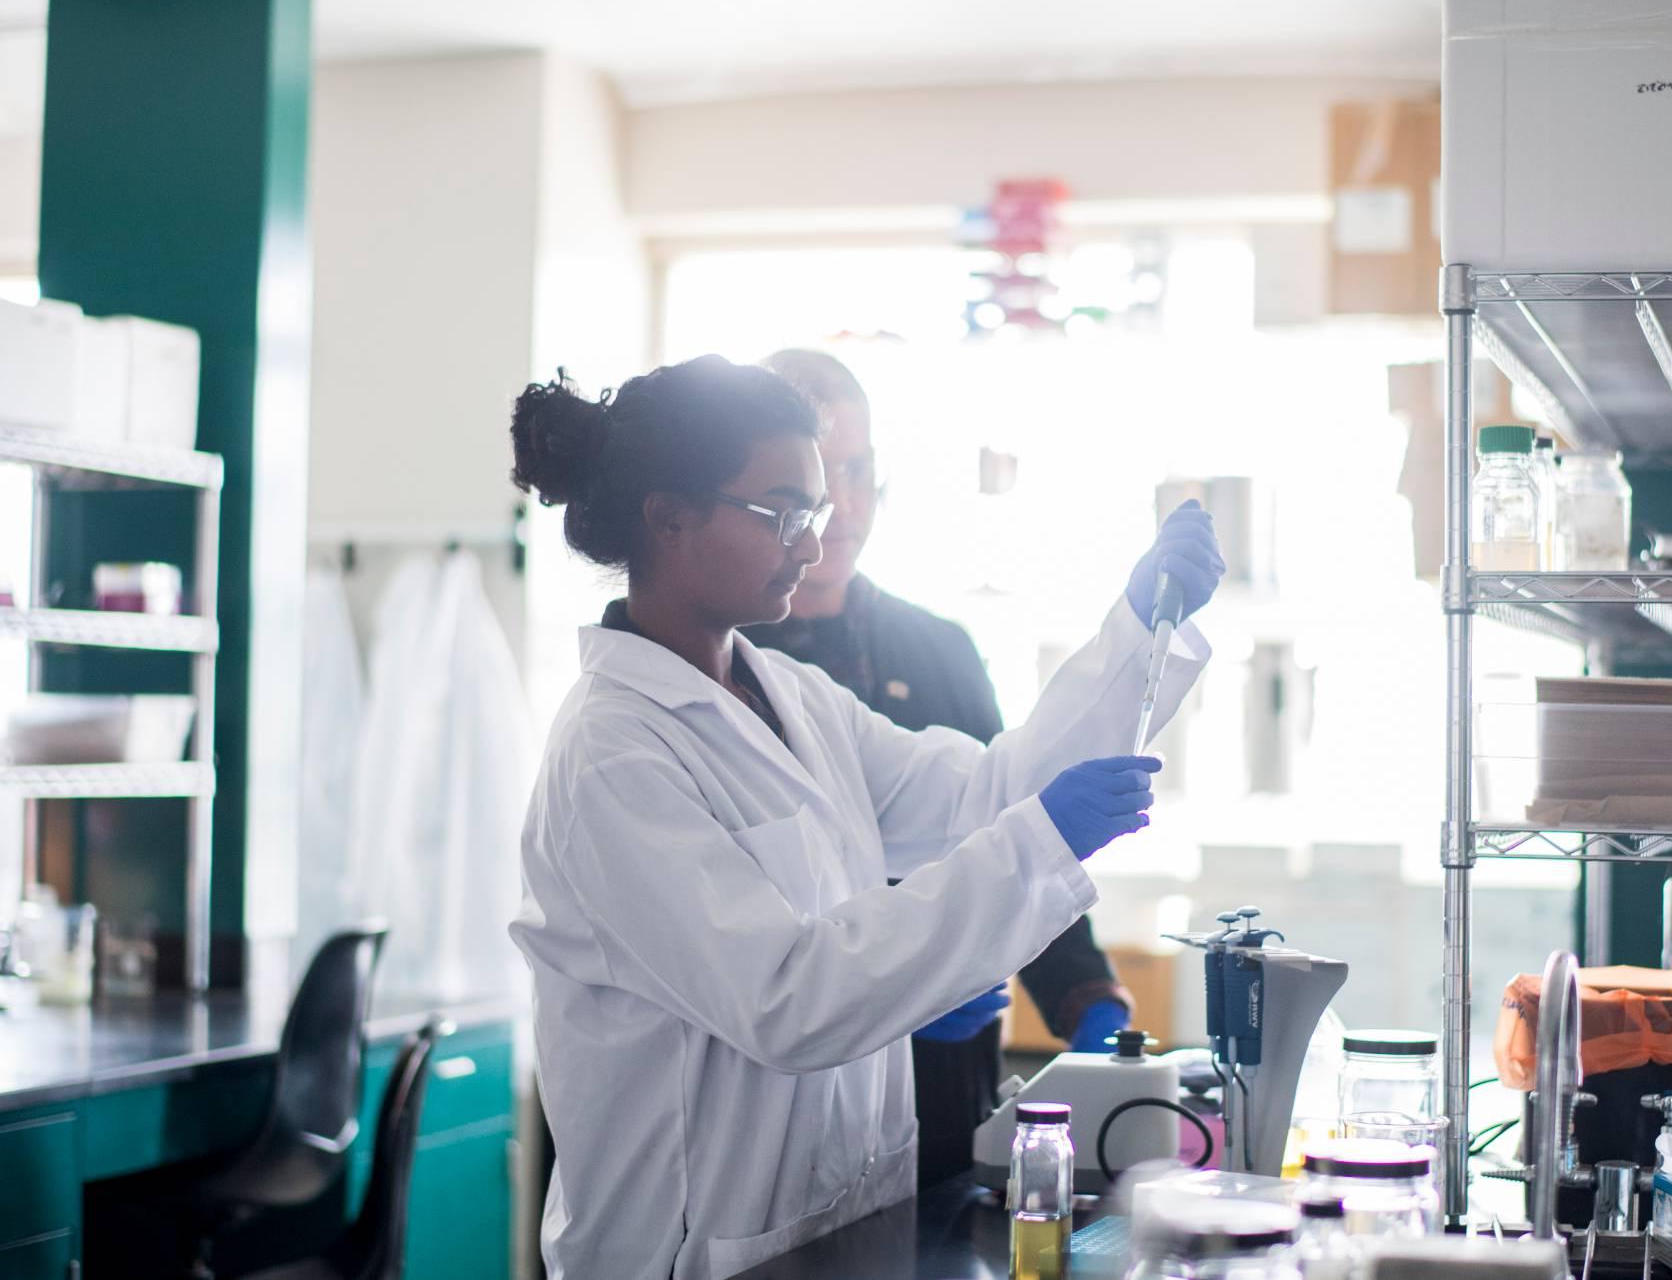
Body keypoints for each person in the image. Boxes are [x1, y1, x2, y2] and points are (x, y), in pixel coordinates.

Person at [507, 356, 1224, 1278]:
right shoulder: (612, 754)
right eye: (784, 513)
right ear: (669, 516)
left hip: (835, 1229)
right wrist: (1036, 844)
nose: (813, 541)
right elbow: (788, 996)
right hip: (690, 1253)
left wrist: (1136, 629)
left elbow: (981, 794)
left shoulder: (791, 695)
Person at [748, 348, 1134, 1189]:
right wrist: (904, 994)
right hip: (809, 1089)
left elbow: (1012, 827)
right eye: (816, 478)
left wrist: (1087, 998)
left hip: (956, 1086)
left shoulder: (939, 649)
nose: (840, 504)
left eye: (859, 471)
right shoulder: (733, 672)